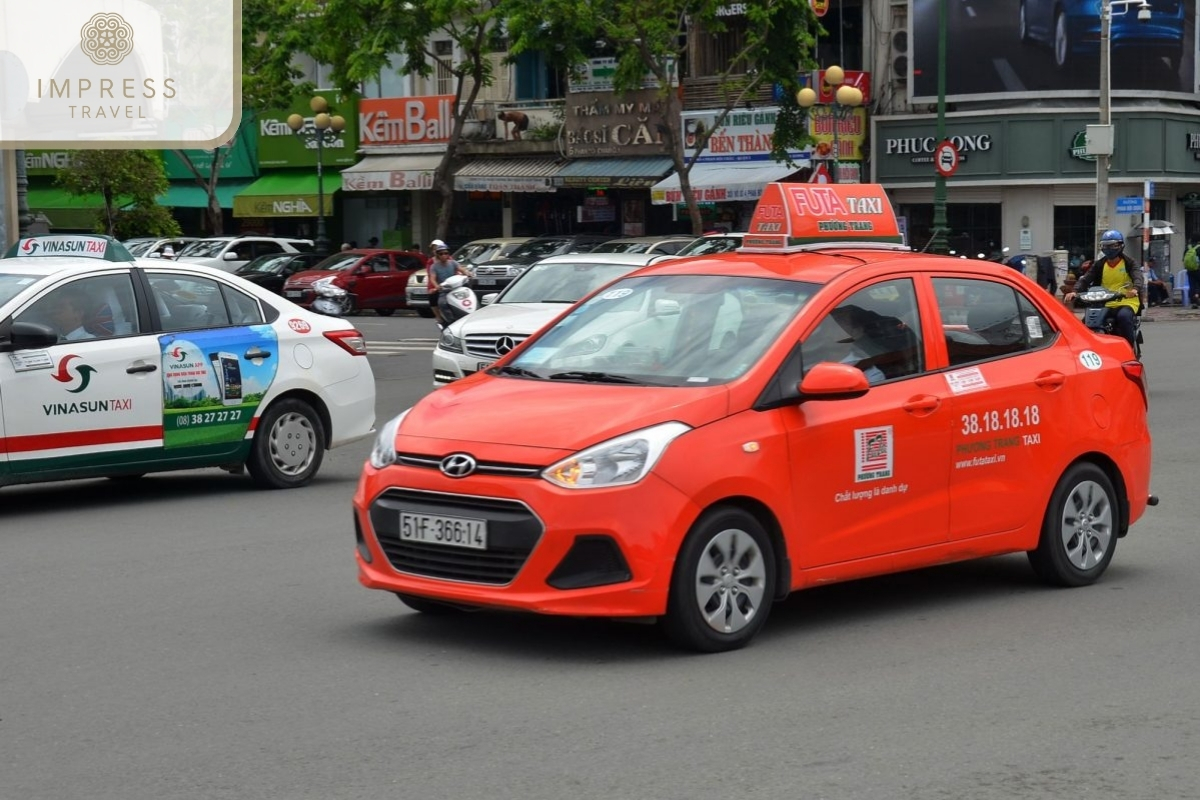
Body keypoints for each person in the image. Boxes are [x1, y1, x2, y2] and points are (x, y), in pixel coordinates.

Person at [1064, 229, 1145, 350]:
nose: (1109, 248)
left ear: (1120, 245)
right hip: (1104, 302)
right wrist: (1074, 291)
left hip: (1126, 301)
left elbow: (1138, 277)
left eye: (1112, 245)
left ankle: (1129, 348)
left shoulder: (1129, 263)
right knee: (1085, 323)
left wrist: (1135, 289)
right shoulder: (1099, 264)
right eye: (1105, 246)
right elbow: (1085, 279)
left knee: (1124, 317)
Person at [426, 241, 467, 327]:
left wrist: (468, 273)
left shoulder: (453, 262)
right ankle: (451, 321)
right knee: (442, 303)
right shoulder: (434, 266)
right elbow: (432, 278)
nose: (444, 255)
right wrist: (437, 286)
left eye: (446, 253)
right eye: (441, 254)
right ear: (437, 255)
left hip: (456, 288)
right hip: (444, 290)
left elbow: (462, 269)